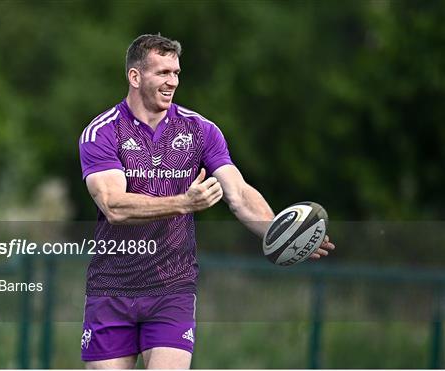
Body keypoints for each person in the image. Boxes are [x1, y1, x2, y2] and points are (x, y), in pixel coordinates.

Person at [78, 34, 335, 369]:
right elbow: (113, 205)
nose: (172, 82)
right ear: (135, 77)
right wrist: (183, 202)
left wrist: (280, 233)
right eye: (163, 73)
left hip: (172, 287)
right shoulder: (103, 132)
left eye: (176, 73)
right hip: (111, 289)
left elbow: (239, 194)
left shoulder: (201, 130)